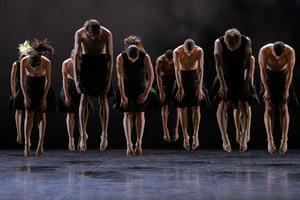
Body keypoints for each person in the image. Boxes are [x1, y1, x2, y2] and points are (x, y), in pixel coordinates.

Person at [73, 19, 113, 151]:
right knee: (84, 99)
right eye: (92, 34)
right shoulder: (80, 33)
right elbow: (76, 57)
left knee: (103, 98)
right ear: (87, 31)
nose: (95, 37)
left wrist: (108, 79)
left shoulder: (106, 33)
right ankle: (83, 135)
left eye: (97, 34)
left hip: (101, 64)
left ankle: (105, 134)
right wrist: (76, 79)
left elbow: (110, 57)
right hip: (87, 65)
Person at [214, 28, 252, 153]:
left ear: (238, 41)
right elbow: (218, 65)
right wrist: (223, 85)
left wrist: (246, 82)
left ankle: (243, 136)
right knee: (222, 105)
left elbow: (248, 64)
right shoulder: (218, 43)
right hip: (224, 75)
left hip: (241, 74)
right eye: (230, 46)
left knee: (245, 106)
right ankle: (224, 138)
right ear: (226, 42)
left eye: (234, 46)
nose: (232, 49)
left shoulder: (246, 41)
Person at [115, 35, 155, 156]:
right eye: (130, 59)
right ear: (127, 53)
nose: (132, 61)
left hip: (140, 86)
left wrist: (145, 93)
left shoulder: (145, 57)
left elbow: (151, 76)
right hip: (126, 86)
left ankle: (139, 143)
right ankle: (128, 144)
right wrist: (122, 96)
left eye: (135, 59)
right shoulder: (120, 58)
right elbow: (120, 78)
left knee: (140, 114)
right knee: (127, 114)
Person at [258, 41, 296, 155]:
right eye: (275, 55)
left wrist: (286, 90)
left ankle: (284, 140)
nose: (278, 58)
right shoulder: (264, 51)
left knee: (283, 107)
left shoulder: (290, 52)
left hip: (283, 76)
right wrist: (267, 90)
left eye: (280, 55)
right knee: (269, 108)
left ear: (284, 50)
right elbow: (262, 71)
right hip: (268, 76)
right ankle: (270, 140)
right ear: (272, 50)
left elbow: (290, 72)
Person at [20, 39, 56, 157]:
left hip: (41, 87)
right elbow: (21, 80)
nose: (35, 68)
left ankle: (41, 143)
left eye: (36, 66)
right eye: (32, 66)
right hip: (29, 87)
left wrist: (44, 97)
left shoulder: (46, 62)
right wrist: (25, 96)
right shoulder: (24, 61)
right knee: (29, 114)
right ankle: (26, 143)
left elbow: (48, 81)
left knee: (41, 115)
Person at [173, 39, 207, 151]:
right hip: (181, 77)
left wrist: (200, 87)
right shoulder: (177, 52)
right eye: (187, 52)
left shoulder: (199, 51)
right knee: (182, 108)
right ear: (183, 47)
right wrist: (180, 87)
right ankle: (185, 136)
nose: (189, 54)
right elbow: (177, 70)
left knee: (196, 108)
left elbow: (201, 69)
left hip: (194, 76)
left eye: (191, 52)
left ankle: (196, 135)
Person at [59, 50, 90, 151]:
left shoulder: (84, 63)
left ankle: (82, 138)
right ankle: (71, 139)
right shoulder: (66, 63)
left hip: (82, 86)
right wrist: (67, 96)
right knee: (70, 113)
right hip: (70, 86)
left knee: (84, 114)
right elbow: (64, 80)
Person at [9, 41, 32, 144]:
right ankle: (19, 133)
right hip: (19, 89)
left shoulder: (30, 63)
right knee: (19, 111)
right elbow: (12, 80)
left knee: (28, 112)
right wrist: (14, 94)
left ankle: (27, 136)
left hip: (28, 89)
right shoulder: (16, 64)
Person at [155, 49, 180, 142]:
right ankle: (165, 131)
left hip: (175, 80)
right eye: (168, 61)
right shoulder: (160, 60)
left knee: (177, 106)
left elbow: (179, 74)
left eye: (171, 61)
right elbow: (158, 77)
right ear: (165, 58)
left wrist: (180, 88)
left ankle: (176, 129)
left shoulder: (177, 59)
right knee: (164, 106)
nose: (170, 62)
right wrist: (161, 91)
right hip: (163, 80)